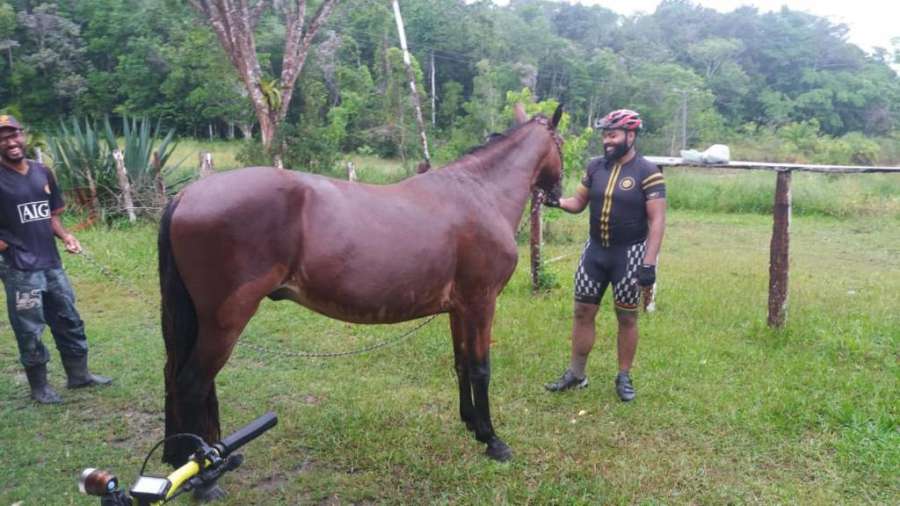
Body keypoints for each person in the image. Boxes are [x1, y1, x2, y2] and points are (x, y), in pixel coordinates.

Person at [543, 109, 665, 402]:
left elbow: (658, 221)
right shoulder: (595, 166)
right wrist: (555, 202)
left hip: (630, 255)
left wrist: (649, 264)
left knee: (626, 318)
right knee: (582, 312)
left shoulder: (648, 171)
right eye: (604, 135)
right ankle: (576, 374)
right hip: (594, 252)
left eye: (612, 135)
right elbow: (578, 202)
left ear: (630, 135)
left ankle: (623, 376)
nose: (606, 141)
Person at [0, 115, 111, 404]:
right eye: (3, 138)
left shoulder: (42, 172)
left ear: (23, 136)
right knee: (30, 329)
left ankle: (79, 376)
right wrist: (6, 248)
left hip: (51, 263)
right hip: (19, 269)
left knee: (69, 318)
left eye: (14, 135)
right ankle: (39, 388)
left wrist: (67, 237)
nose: (11, 142)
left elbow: (52, 215)